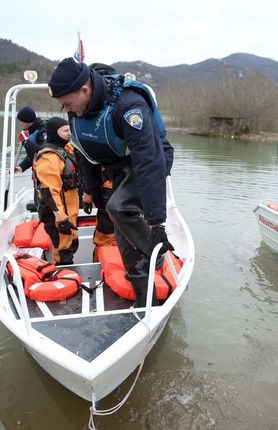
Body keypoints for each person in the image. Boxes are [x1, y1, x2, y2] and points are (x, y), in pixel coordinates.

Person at [47, 57, 174, 307]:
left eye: (69, 103)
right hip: (117, 165)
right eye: (63, 107)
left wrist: (157, 222)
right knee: (120, 229)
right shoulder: (77, 112)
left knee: (120, 207)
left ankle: (155, 252)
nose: (68, 111)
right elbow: (85, 155)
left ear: (85, 90)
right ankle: (144, 299)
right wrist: (93, 194)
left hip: (151, 157)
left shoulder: (128, 106)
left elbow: (149, 161)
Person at [33, 117, 81, 265]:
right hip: (58, 214)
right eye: (65, 131)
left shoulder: (65, 149)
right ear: (55, 132)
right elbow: (49, 191)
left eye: (69, 130)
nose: (69, 134)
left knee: (71, 244)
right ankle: (62, 277)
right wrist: (60, 219)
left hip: (69, 208)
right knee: (62, 249)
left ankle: (68, 274)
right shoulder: (49, 157)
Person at [13, 106, 47, 174]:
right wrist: (21, 167)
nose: (20, 123)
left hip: (47, 170)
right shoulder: (29, 132)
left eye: (21, 121)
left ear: (26, 121)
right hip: (38, 170)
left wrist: (26, 142)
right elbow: (32, 156)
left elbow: (42, 153)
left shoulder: (43, 131)